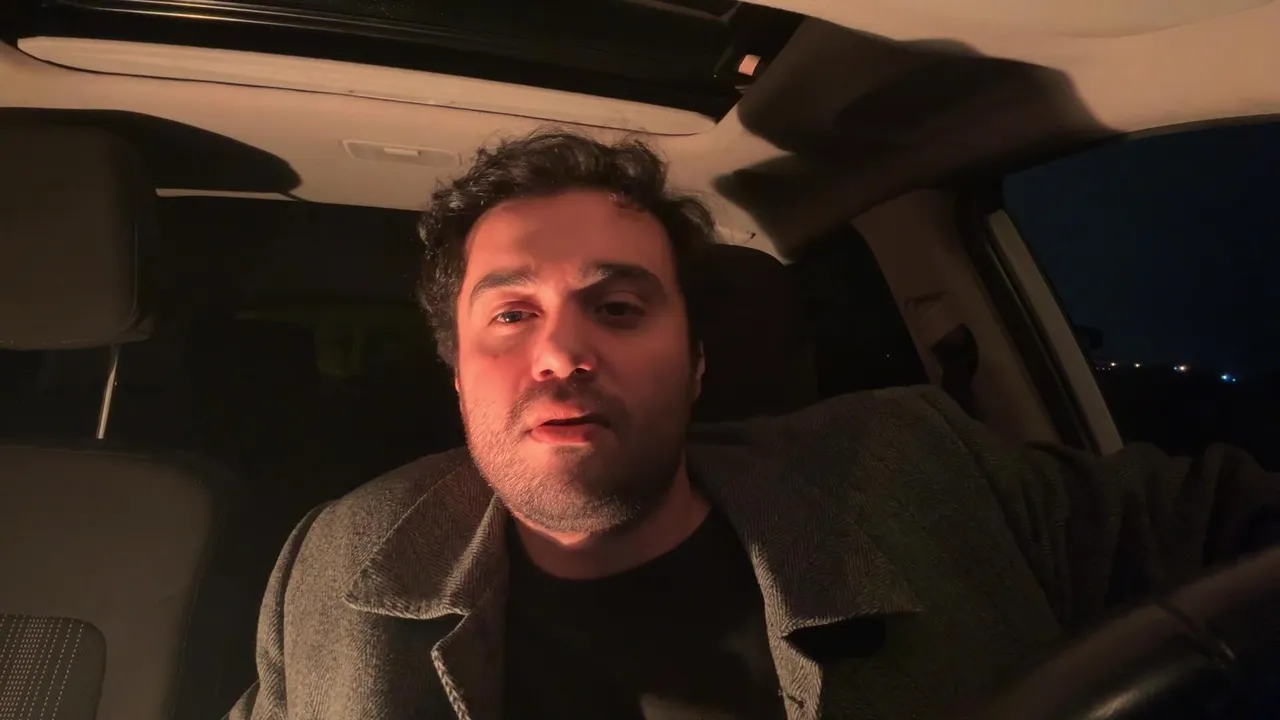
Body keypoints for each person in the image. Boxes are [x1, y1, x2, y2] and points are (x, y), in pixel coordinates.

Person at [227, 131, 1279, 720]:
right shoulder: (333, 568)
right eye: (510, 315)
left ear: (693, 364)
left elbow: (1233, 532)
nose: (560, 352)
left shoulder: (920, 474)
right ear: (459, 376)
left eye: (618, 306)